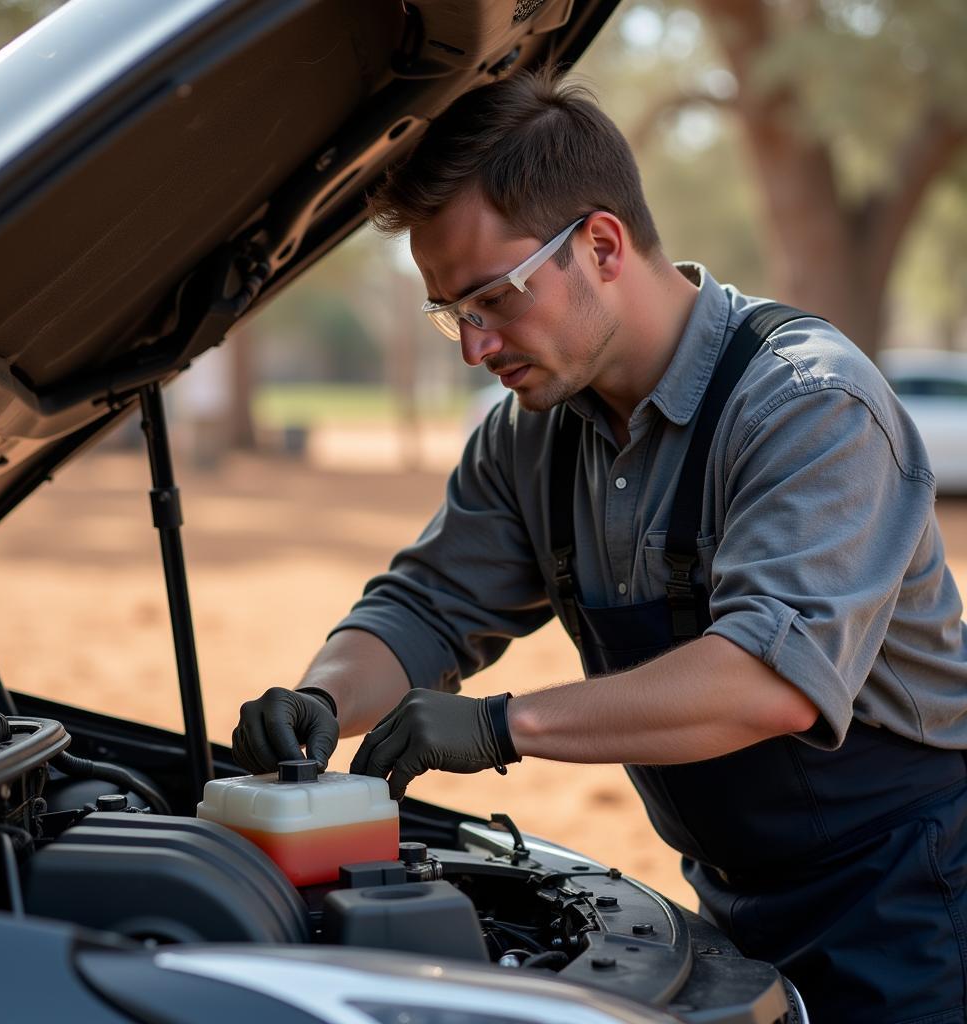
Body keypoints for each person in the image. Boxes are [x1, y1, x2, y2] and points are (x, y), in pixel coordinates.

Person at [232, 69, 967, 1022]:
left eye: (491, 299)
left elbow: (768, 681)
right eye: (452, 312)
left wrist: (501, 725)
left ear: (602, 245)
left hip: (917, 898)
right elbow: (424, 608)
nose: (473, 347)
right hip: (732, 901)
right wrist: (323, 696)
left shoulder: (808, 404)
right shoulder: (530, 437)